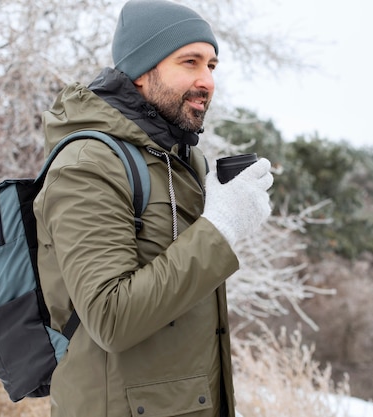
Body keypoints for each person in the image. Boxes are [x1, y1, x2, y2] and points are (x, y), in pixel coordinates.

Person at [33, 1, 273, 416]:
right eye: (190, 62)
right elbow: (111, 316)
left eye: (212, 65)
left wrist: (226, 203)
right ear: (142, 71)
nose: (207, 81)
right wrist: (222, 226)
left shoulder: (181, 157)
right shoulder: (88, 164)